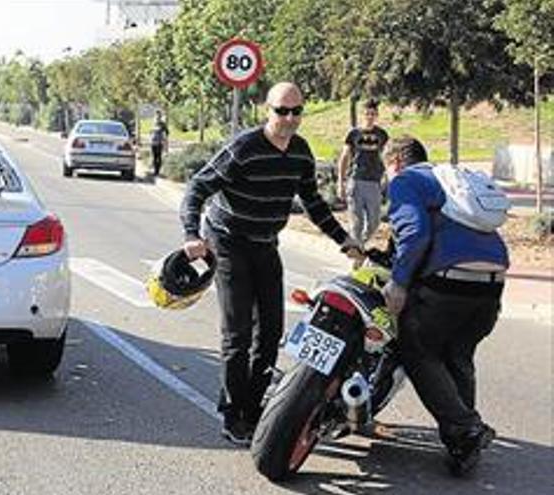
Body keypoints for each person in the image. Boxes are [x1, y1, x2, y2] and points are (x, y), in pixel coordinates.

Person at [180, 82, 360, 446]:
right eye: (282, 111)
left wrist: (345, 241)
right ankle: (233, 414)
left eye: (296, 111)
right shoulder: (244, 148)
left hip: (265, 244)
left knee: (272, 333)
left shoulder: (300, 152)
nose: (289, 118)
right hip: (228, 242)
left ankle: (252, 406)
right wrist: (191, 234)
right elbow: (197, 188)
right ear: (267, 110)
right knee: (238, 334)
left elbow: (313, 202)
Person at [381, 136, 507, 476]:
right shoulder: (453, 182)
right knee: (458, 355)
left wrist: (400, 282)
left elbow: (415, 233)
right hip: (493, 283)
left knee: (417, 348)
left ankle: (467, 427)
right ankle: (463, 447)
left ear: (394, 163)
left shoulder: (406, 180)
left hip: (448, 282)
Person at [337, 100, 389, 245]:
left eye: (373, 114)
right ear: (363, 115)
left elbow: (387, 156)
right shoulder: (354, 133)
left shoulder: (382, 135)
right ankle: (358, 253)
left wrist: (386, 177)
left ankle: (360, 245)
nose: (370, 116)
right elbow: (344, 157)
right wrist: (340, 182)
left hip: (374, 182)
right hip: (356, 180)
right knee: (356, 223)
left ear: (377, 115)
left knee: (374, 223)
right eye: (367, 114)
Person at [150, 111, 169, 176]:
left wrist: (164, 140)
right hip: (153, 142)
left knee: (158, 157)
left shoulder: (162, 124)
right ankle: (155, 170)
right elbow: (151, 132)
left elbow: (167, 132)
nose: (157, 117)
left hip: (159, 143)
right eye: (156, 115)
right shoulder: (153, 123)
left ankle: (157, 171)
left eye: (158, 116)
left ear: (160, 116)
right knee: (154, 157)